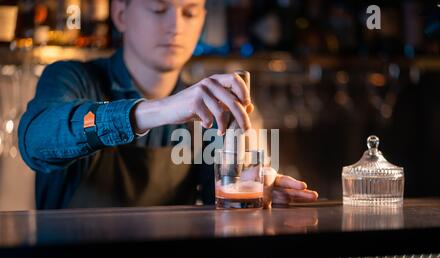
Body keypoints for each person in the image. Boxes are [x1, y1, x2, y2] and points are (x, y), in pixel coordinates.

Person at [18, 0, 318, 209]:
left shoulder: (211, 108)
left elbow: (219, 202)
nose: (175, 25)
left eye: (189, 12)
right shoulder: (72, 77)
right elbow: (35, 143)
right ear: (120, 13)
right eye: (159, 8)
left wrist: (248, 186)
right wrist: (158, 110)